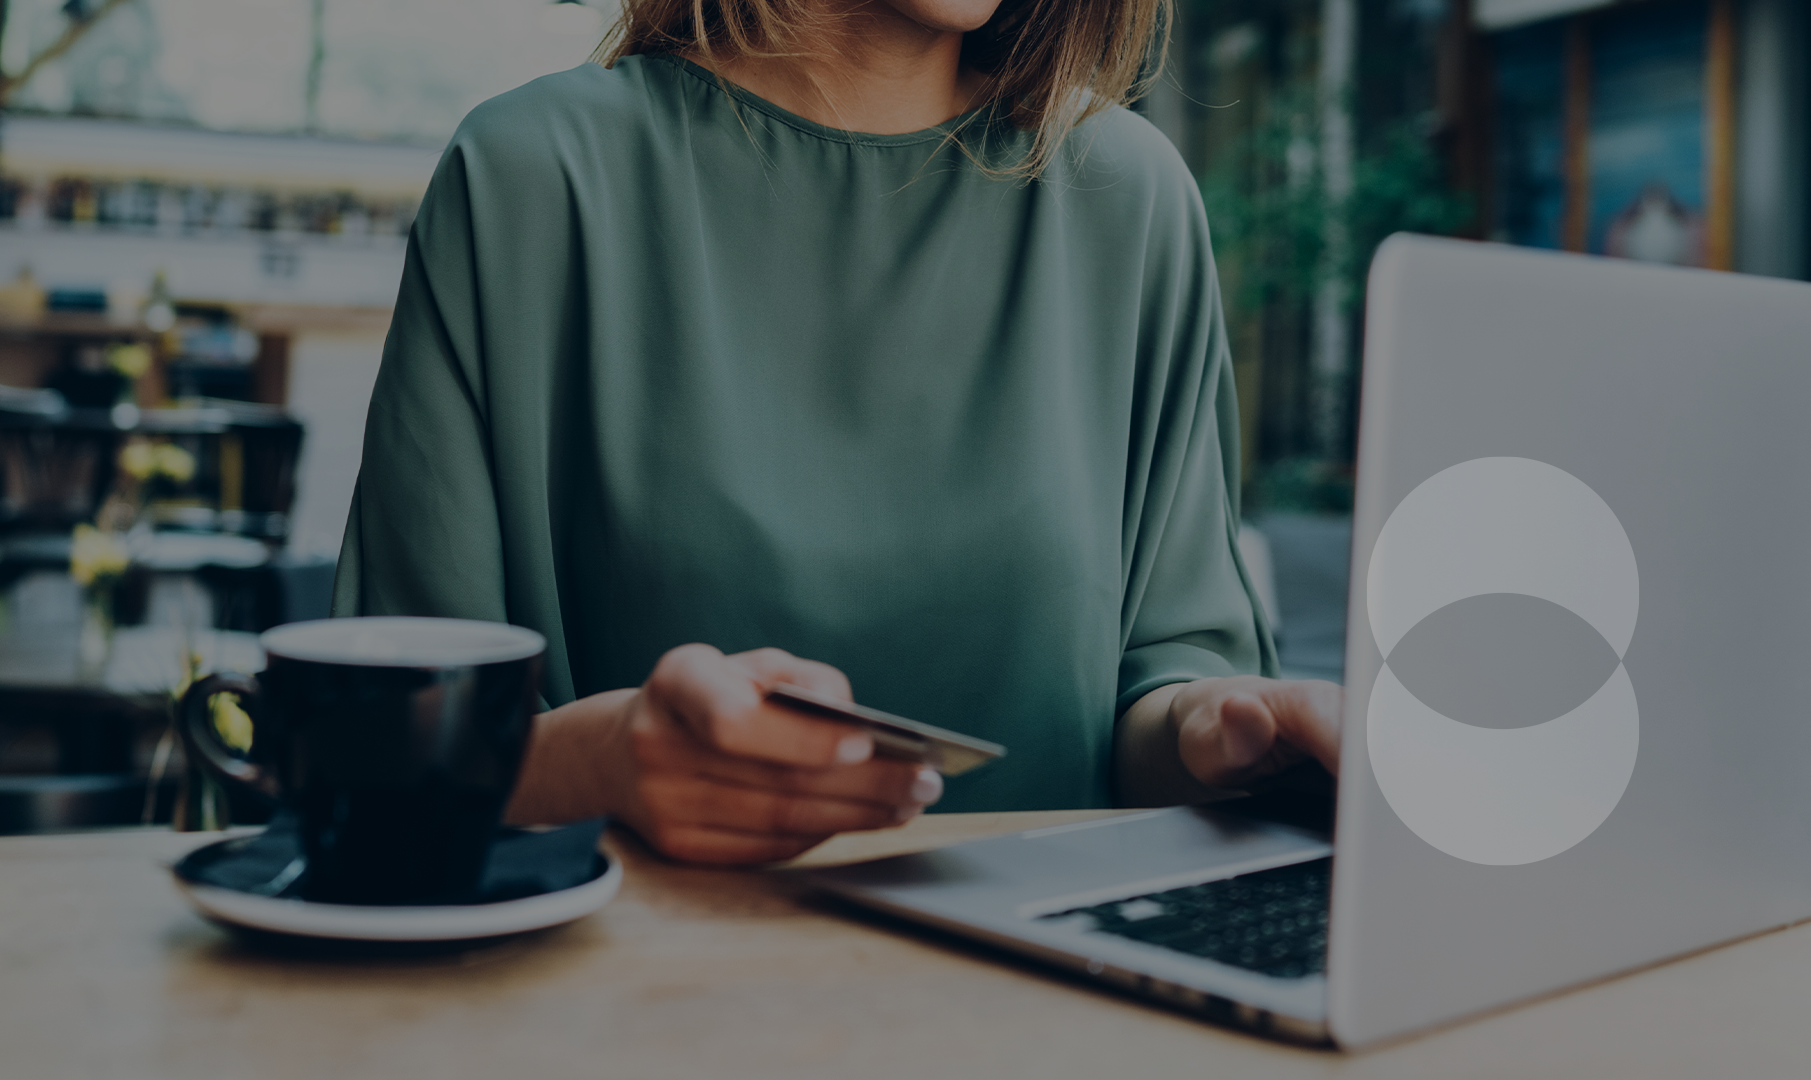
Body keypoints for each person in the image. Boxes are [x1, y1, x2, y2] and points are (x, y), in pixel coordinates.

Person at [334, 0, 1343, 865]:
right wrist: (596, 764)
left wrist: (1223, 734)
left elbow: (1160, 687)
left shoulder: (1130, 197)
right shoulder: (527, 179)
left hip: (1037, 1026)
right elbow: (374, 751)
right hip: (627, 1015)